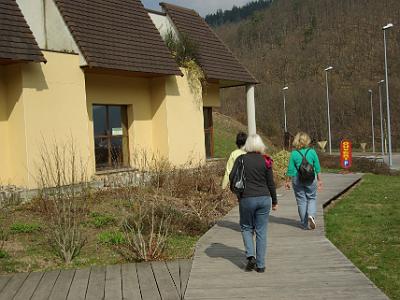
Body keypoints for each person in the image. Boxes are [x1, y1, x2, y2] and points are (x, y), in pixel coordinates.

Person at [230, 134, 277, 273]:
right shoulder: (266, 160)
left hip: (247, 198)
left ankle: (251, 256)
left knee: (246, 227)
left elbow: (232, 177)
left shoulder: (241, 159)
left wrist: (237, 193)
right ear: (261, 145)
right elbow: (271, 183)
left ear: (247, 145)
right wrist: (274, 201)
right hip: (264, 198)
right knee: (261, 231)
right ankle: (261, 266)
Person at [285, 132, 322, 230]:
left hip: (297, 179)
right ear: (307, 141)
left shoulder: (294, 153)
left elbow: (290, 169)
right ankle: (311, 215)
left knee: (301, 200)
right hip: (310, 178)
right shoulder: (312, 152)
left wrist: (287, 181)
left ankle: (304, 223)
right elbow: (317, 167)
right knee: (312, 198)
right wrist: (319, 180)